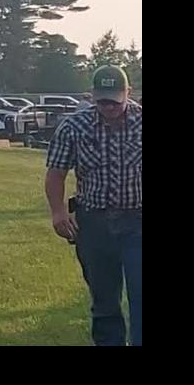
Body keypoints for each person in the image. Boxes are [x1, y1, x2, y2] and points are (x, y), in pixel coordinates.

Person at [45, 65, 142, 346]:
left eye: (115, 101)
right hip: (94, 224)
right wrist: (58, 212)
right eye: (103, 101)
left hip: (137, 222)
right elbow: (56, 173)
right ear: (92, 96)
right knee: (104, 301)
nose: (109, 107)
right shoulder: (73, 127)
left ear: (128, 93)